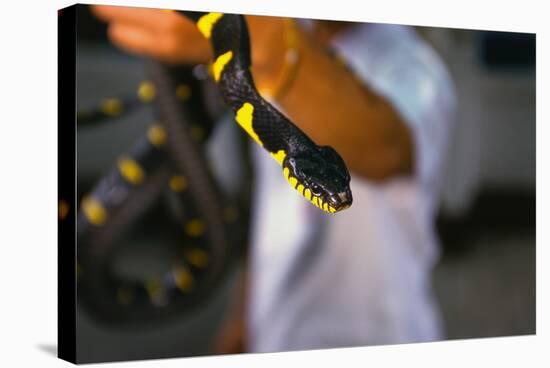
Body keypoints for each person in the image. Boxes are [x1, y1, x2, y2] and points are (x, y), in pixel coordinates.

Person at [92, 5, 456, 353]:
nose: (334, 199)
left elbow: (388, 147)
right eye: (318, 190)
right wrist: (241, 316)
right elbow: (273, 214)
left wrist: (275, 47)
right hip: (277, 337)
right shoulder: (274, 98)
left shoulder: (415, 66)